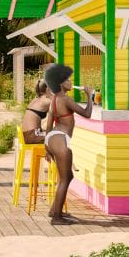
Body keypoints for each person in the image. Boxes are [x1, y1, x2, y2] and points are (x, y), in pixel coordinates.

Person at [43, 64, 94, 225]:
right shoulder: (65, 99)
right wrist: (89, 96)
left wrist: (47, 149)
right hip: (60, 139)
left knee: (66, 176)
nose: (71, 82)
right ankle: (57, 218)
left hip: (52, 138)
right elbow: (87, 114)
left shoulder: (54, 100)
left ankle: (54, 210)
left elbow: (48, 126)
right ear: (60, 83)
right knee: (65, 179)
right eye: (67, 80)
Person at [22, 80, 51, 145]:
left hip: (28, 134)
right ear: (47, 89)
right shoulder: (46, 101)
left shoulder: (36, 99)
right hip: (32, 135)